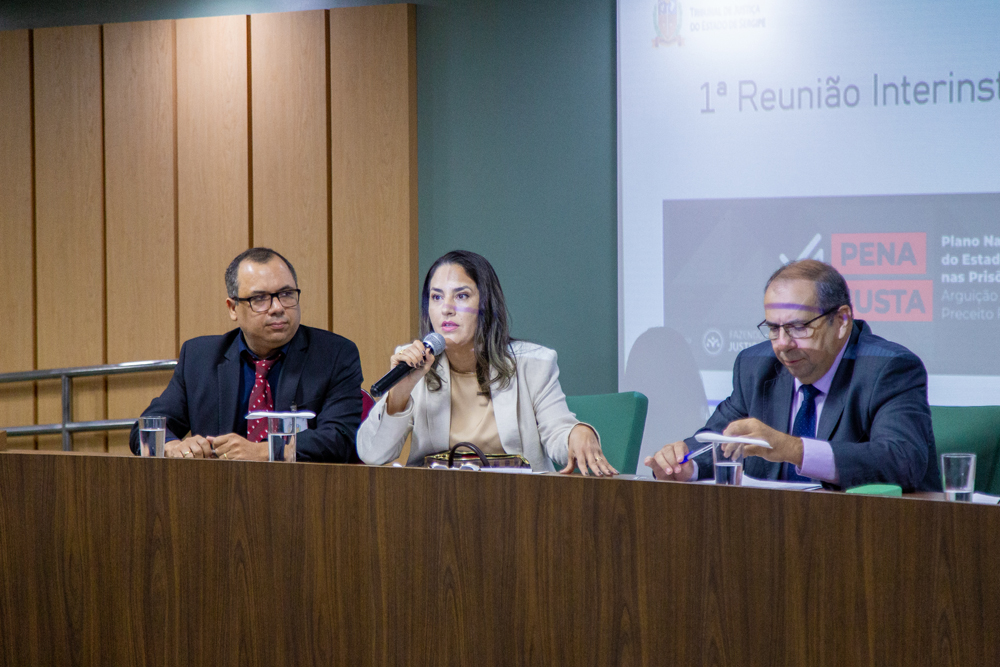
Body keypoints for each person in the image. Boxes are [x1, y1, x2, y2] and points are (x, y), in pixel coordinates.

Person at [645, 259, 938, 492]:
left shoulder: (889, 369)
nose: (783, 344)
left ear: (841, 321)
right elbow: (720, 441)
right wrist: (685, 465)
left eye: (799, 327)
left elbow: (902, 462)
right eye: (774, 329)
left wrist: (792, 449)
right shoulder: (755, 366)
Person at [357, 250, 615, 475]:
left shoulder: (533, 365)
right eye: (436, 297)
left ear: (487, 305)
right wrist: (400, 393)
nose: (446, 308)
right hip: (436, 501)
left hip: (515, 500)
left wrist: (577, 433)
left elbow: (558, 431)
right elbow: (372, 454)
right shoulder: (415, 365)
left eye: (461, 296)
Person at [128, 247, 363, 462]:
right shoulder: (199, 358)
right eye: (259, 299)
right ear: (233, 308)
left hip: (303, 489)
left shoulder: (334, 355)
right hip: (218, 489)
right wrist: (172, 446)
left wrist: (265, 451)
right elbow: (144, 429)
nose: (278, 308)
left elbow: (341, 437)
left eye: (286, 294)